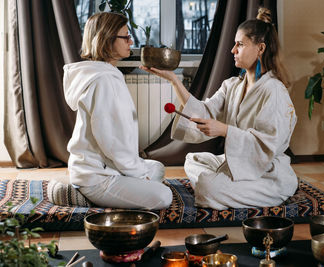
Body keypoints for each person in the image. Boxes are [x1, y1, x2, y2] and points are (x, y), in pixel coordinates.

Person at [141, 8, 297, 210]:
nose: (233, 50)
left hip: (267, 173)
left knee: (207, 186)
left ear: (260, 49)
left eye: (240, 44)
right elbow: (204, 112)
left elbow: (267, 145)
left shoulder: (274, 91)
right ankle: (225, 188)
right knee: (193, 160)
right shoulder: (232, 85)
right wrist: (173, 80)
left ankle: (221, 189)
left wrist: (224, 130)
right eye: (234, 44)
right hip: (240, 164)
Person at [61, 12, 172, 209]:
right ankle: (79, 195)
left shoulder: (104, 73)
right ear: (106, 40)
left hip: (106, 167)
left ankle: (126, 182)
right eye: (126, 37)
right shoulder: (104, 80)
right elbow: (111, 141)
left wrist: (139, 171)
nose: (131, 42)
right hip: (96, 177)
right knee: (164, 196)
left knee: (157, 168)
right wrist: (139, 174)